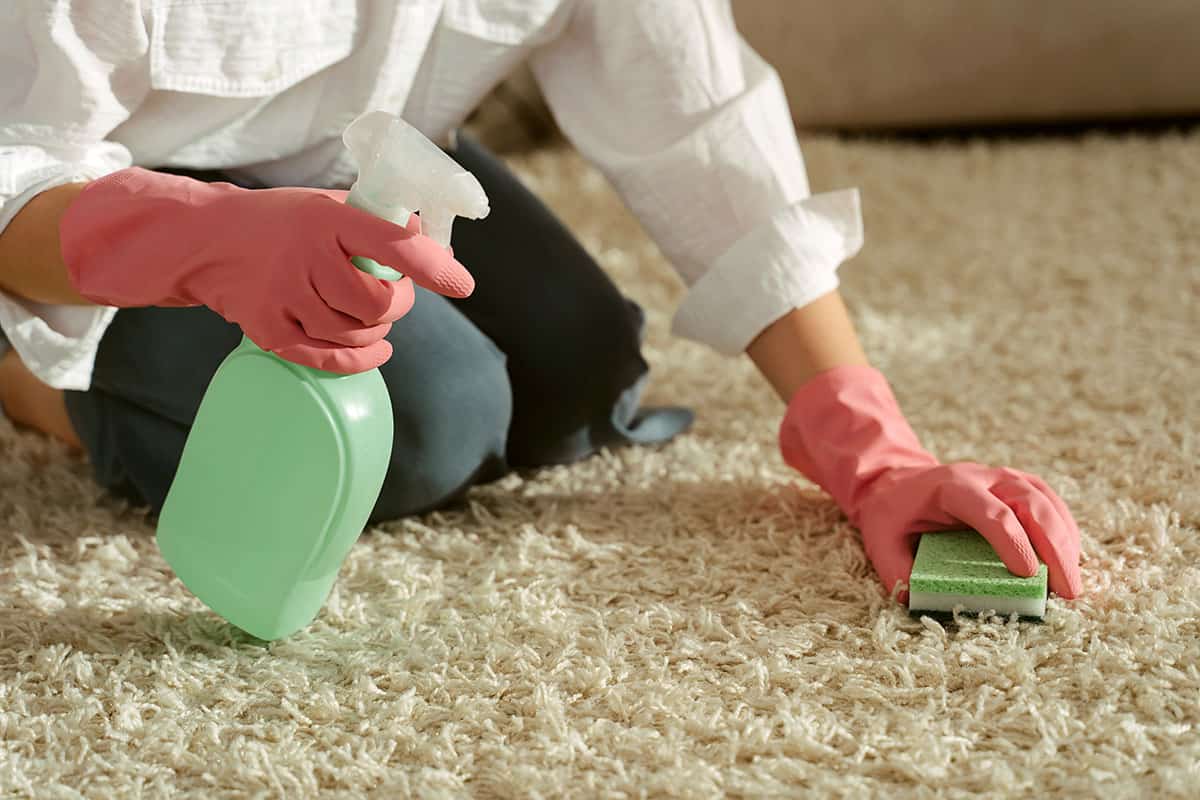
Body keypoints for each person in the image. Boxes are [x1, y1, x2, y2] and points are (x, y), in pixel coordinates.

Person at [0, 1, 1081, 604]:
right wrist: (209, 238)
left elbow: (700, 127)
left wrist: (872, 448)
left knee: (580, 374)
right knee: (429, 424)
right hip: (112, 192)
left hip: (355, 149)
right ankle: (39, 382)